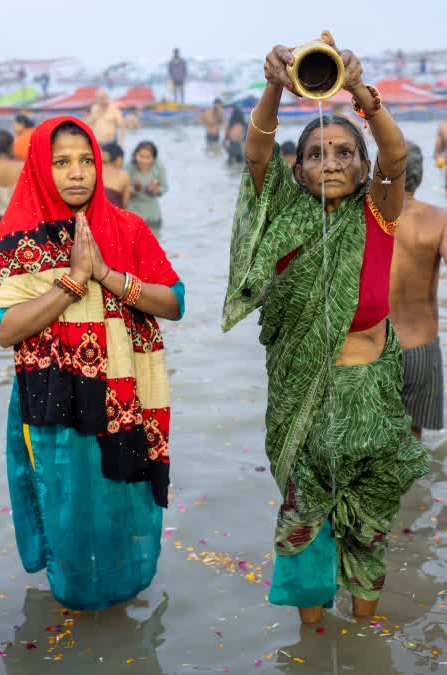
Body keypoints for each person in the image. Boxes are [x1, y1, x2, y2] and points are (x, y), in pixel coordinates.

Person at [223, 32, 427, 624]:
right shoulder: (285, 218)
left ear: (362, 168)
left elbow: (395, 156)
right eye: (316, 153)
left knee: (368, 535)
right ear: (299, 166)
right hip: (303, 411)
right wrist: (272, 85)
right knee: (303, 534)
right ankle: (312, 647)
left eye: (344, 152)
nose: (331, 162)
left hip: (374, 408)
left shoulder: (378, 215)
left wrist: (361, 89)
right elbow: (255, 157)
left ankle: (364, 640)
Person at [0, 116, 184, 610]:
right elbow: (5, 328)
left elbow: (174, 301)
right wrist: (72, 281)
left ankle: (121, 595)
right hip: (52, 398)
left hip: (123, 395)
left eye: (85, 161)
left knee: (120, 498)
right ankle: (76, 598)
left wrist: (107, 275)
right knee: (68, 505)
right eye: (61, 162)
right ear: (39, 169)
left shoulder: (128, 228)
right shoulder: (15, 244)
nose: (77, 173)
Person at [390, 143, 447, 438]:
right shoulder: (439, 219)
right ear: (420, 177)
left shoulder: (366, 218)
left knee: (371, 436)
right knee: (411, 442)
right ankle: (414, 487)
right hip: (420, 345)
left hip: (373, 348)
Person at [127, 141, 167, 230]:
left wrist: (156, 190)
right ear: (135, 155)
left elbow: (164, 188)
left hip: (153, 216)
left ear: (154, 158)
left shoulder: (158, 167)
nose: (144, 161)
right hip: (133, 214)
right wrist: (134, 189)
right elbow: (122, 190)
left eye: (148, 157)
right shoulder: (129, 167)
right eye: (141, 156)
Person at [100, 143, 132, 209]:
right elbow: (125, 204)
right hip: (113, 215)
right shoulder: (123, 175)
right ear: (119, 159)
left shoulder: (95, 169)